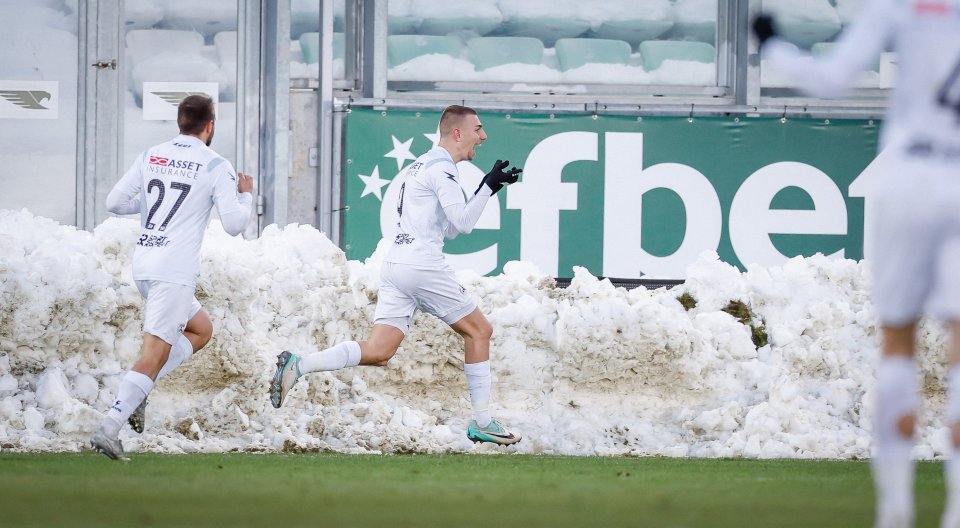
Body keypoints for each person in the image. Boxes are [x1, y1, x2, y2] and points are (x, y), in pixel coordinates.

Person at [754, 4, 960, 527]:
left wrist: (772, 45)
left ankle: (895, 511)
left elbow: (832, 78)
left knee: (897, 343)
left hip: (909, 171)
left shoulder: (899, 5)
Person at [269, 104, 523, 445]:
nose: (484, 135)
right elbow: (462, 225)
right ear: (457, 133)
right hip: (421, 266)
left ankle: (300, 365)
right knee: (480, 331)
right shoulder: (443, 169)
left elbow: (445, 229)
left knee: (379, 350)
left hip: (396, 265)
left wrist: (486, 188)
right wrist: (486, 188)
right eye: (478, 129)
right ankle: (483, 422)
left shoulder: (422, 164)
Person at [90, 94, 254, 460]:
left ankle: (140, 390)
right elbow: (234, 226)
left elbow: (114, 203)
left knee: (200, 330)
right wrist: (246, 196)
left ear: (180, 123)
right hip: (173, 271)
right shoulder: (215, 165)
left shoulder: (152, 154)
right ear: (210, 126)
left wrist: (146, 206)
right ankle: (109, 428)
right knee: (153, 354)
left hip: (145, 264)